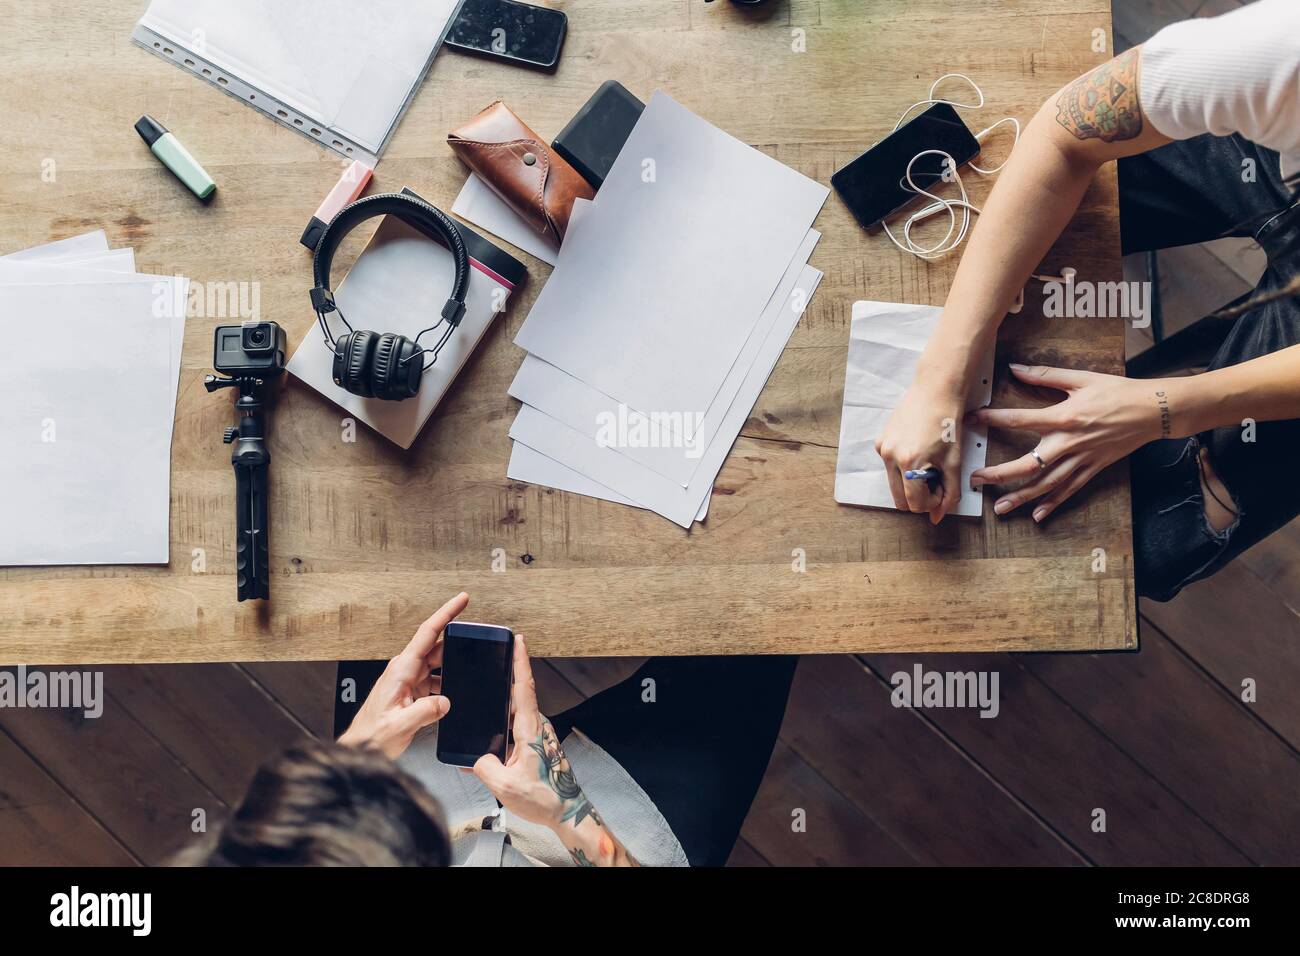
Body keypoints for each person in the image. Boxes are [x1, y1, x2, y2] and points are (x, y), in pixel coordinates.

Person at [874, 0, 1300, 601]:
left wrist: (1161, 408)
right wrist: (939, 379)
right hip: (1277, 157)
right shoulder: (1279, 52)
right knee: (1006, 216)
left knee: (1151, 541)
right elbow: (1065, 136)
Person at [182, 593, 796, 867]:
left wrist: (356, 759)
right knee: (768, 625)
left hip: (396, 782)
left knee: (399, 553)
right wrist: (566, 811)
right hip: (607, 830)